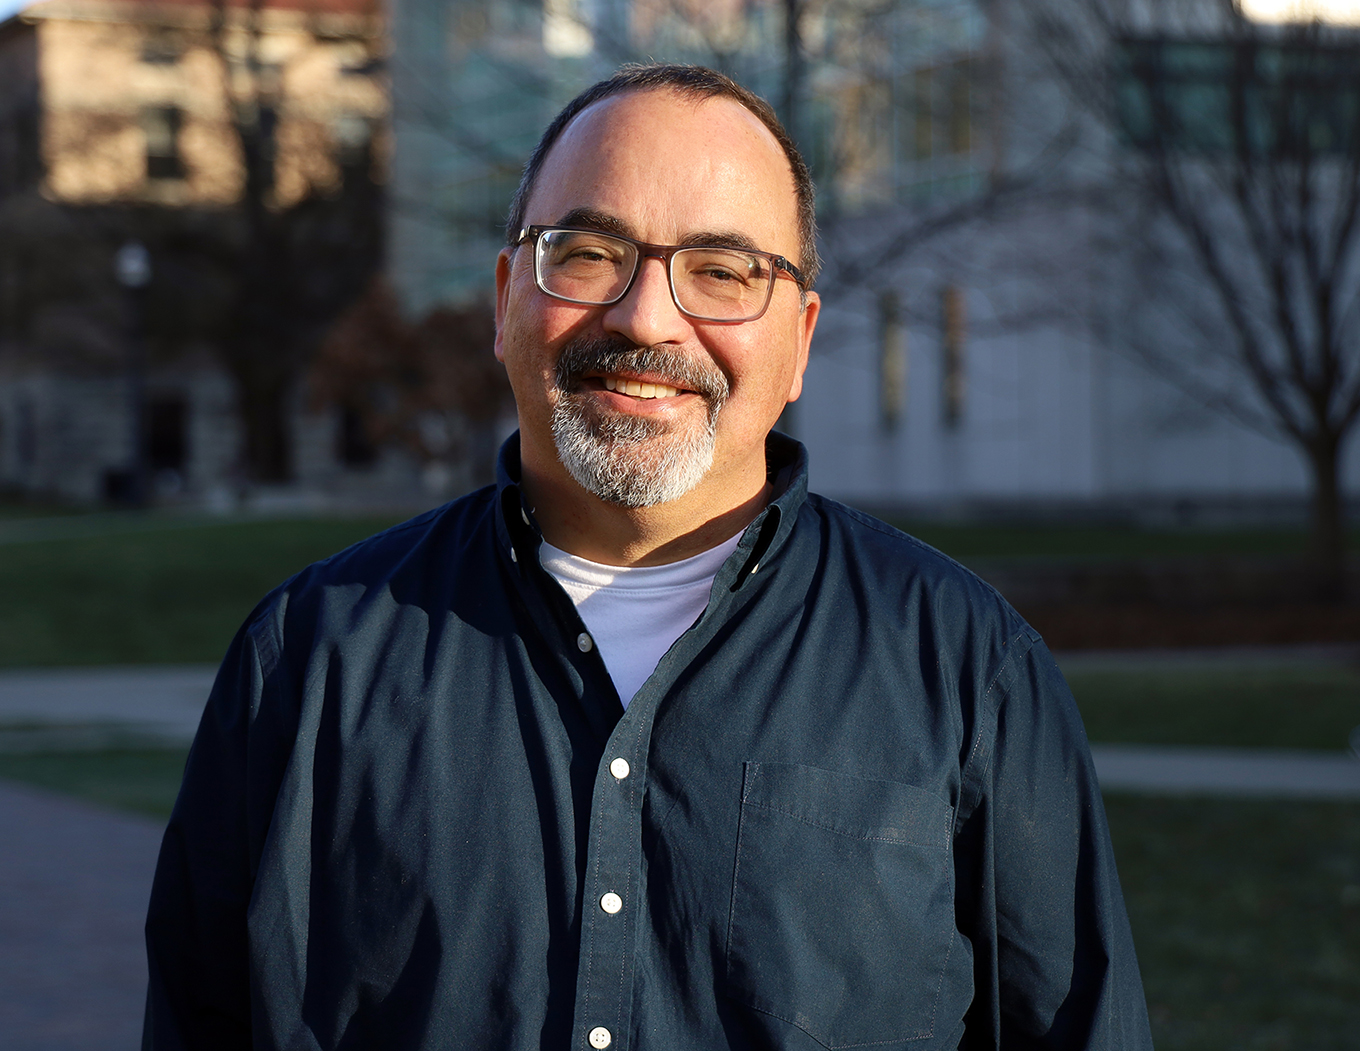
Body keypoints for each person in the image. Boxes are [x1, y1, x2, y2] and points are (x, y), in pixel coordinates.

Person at [143, 64, 1152, 1051]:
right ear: (505, 300)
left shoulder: (969, 666)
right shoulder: (312, 658)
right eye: (587, 253)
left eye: (722, 271)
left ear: (799, 341)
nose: (645, 316)